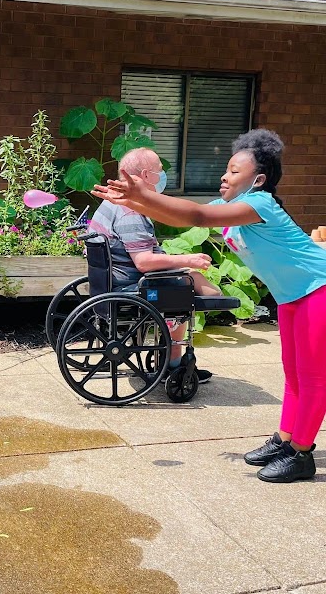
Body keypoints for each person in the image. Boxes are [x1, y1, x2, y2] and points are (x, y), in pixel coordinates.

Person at [93, 128, 326, 483]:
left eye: (234, 170)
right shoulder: (229, 207)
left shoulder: (260, 203)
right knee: (293, 374)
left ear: (258, 179)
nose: (224, 175)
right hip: (292, 297)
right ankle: (285, 439)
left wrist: (141, 195)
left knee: (312, 378)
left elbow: (197, 218)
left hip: (317, 290)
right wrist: (133, 202)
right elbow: (186, 215)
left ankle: (302, 453)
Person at [87, 148, 221, 382]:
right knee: (189, 288)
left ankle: (173, 348)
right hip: (131, 284)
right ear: (147, 175)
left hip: (113, 280)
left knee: (193, 280)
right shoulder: (129, 211)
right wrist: (187, 260)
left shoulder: (119, 202)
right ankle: (174, 364)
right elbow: (144, 262)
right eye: (160, 169)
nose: (163, 174)